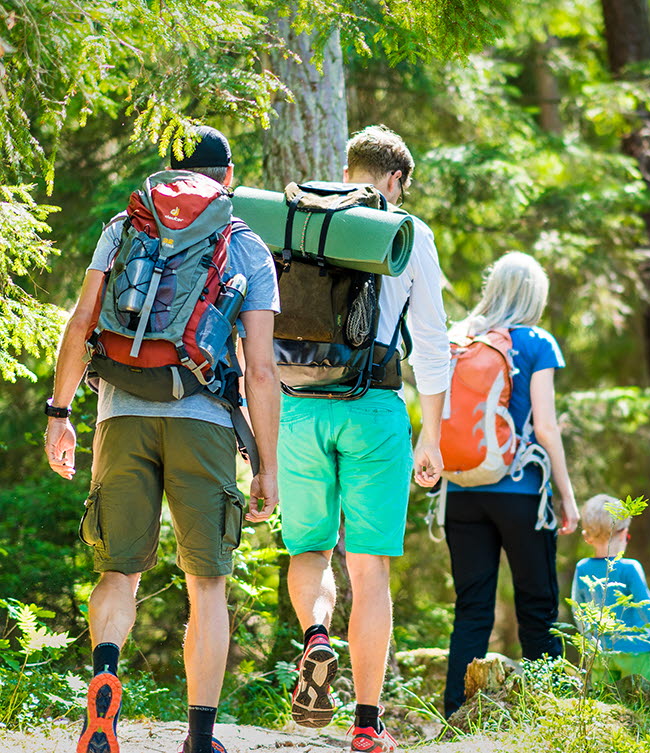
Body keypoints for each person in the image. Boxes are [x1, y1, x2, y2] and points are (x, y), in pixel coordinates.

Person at [44, 126, 281, 753]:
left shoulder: (126, 227)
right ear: (227, 178)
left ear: (168, 169)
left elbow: (82, 320)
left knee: (118, 570)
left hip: (121, 412)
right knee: (208, 583)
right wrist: (267, 464)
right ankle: (200, 737)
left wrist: (59, 412)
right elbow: (261, 370)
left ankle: (104, 688)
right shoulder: (246, 244)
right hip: (204, 421)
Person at [278, 125, 449, 752]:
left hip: (298, 406)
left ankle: (316, 637)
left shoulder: (301, 220)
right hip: (373, 406)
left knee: (310, 550)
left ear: (348, 170)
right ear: (396, 180)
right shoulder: (408, 232)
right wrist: (430, 436)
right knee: (368, 568)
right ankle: (367, 724)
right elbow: (431, 341)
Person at [442, 251, 580, 718]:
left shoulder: (462, 338)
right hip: (521, 493)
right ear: (535, 296)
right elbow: (546, 427)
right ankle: (551, 715)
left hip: (462, 490)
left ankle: (456, 715)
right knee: (538, 608)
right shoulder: (538, 342)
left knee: (472, 609)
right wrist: (566, 494)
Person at [571, 494, 650, 683]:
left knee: (604, 698)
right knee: (639, 696)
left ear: (587, 537)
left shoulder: (582, 568)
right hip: (635, 650)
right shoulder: (630, 568)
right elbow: (646, 605)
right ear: (623, 533)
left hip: (600, 652)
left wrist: (589, 642)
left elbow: (578, 609)